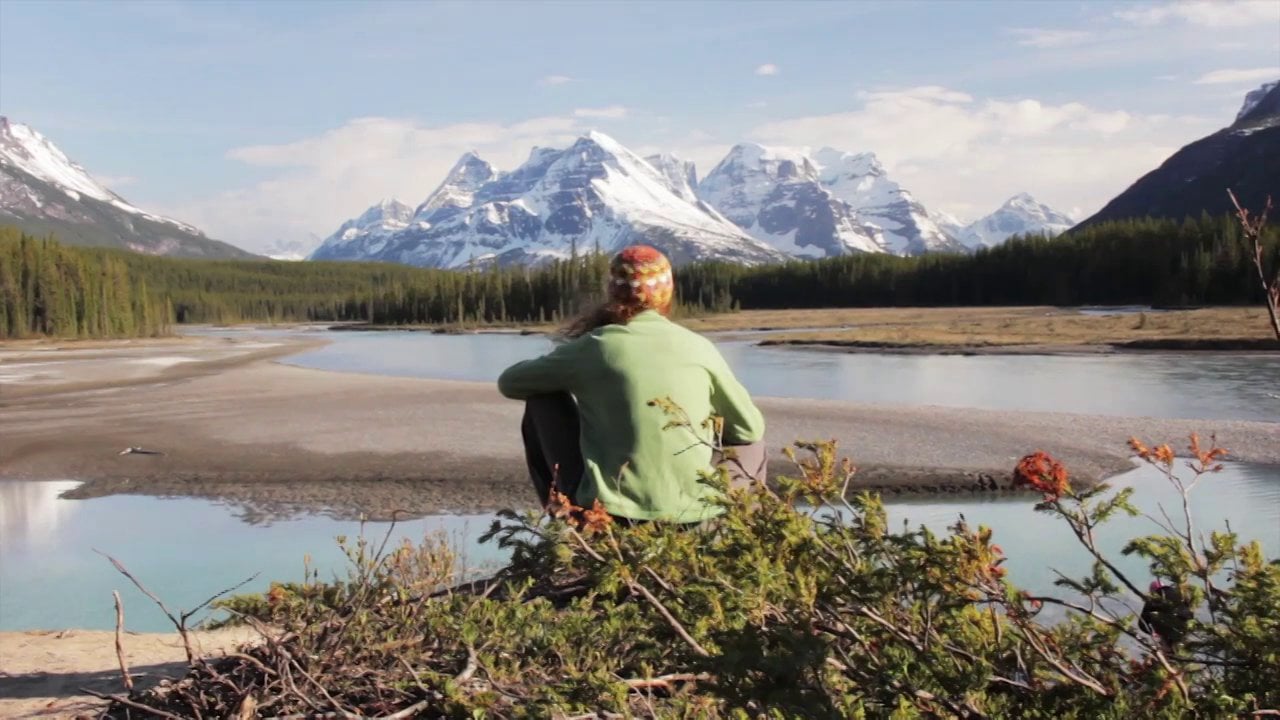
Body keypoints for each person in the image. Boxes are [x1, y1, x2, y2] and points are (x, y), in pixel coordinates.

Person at [497, 245, 766, 525]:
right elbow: (748, 428)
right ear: (667, 293)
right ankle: (744, 529)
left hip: (611, 511)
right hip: (693, 509)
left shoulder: (596, 345)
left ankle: (565, 514)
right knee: (754, 443)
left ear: (612, 293)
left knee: (543, 399)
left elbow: (511, 382)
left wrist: (575, 372)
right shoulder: (698, 346)